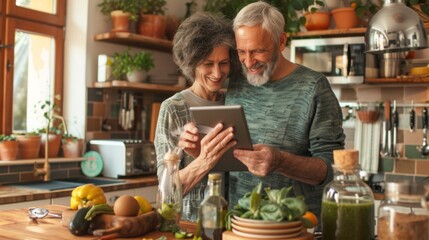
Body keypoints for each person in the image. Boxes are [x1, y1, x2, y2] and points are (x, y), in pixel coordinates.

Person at [179, 1, 345, 225]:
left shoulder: (314, 88)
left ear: (281, 41)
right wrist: (200, 147)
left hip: (294, 226)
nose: (249, 62)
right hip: (239, 225)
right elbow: (231, 154)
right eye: (241, 52)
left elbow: (333, 171)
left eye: (258, 51)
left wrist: (280, 161)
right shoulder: (238, 80)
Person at [154, 12, 240, 222]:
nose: (217, 73)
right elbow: (166, 189)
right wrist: (204, 159)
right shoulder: (173, 109)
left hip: (236, 221)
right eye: (208, 64)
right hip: (192, 223)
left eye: (224, 63)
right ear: (191, 63)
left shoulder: (236, 101)